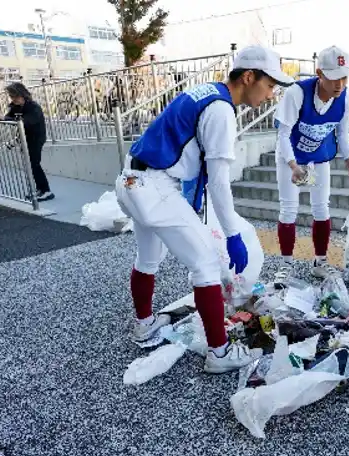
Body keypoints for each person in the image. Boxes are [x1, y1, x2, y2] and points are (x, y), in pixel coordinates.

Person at [114, 45, 294, 373]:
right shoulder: (222, 110)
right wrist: (233, 235)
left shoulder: (207, 92)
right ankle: (220, 353)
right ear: (249, 77)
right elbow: (219, 182)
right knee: (207, 263)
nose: (271, 95)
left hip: (131, 178)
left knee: (148, 259)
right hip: (154, 186)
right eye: (269, 85)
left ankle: (145, 325)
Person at [273, 46, 349, 282]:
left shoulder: (347, 98)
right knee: (289, 208)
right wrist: (293, 166)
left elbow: (343, 135)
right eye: (334, 77)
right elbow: (283, 134)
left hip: (318, 157)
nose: (339, 84)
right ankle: (286, 264)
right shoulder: (297, 93)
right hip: (291, 156)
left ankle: (320, 261)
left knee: (322, 208)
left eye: (344, 77)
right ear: (319, 74)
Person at [0, 82, 53, 201]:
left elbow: (25, 122)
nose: (13, 99)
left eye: (15, 96)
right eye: (11, 96)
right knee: (30, 165)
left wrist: (4, 118)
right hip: (25, 138)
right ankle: (40, 189)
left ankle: (46, 191)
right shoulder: (14, 107)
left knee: (34, 164)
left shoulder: (33, 107)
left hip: (36, 138)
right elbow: (9, 120)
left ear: (22, 94)